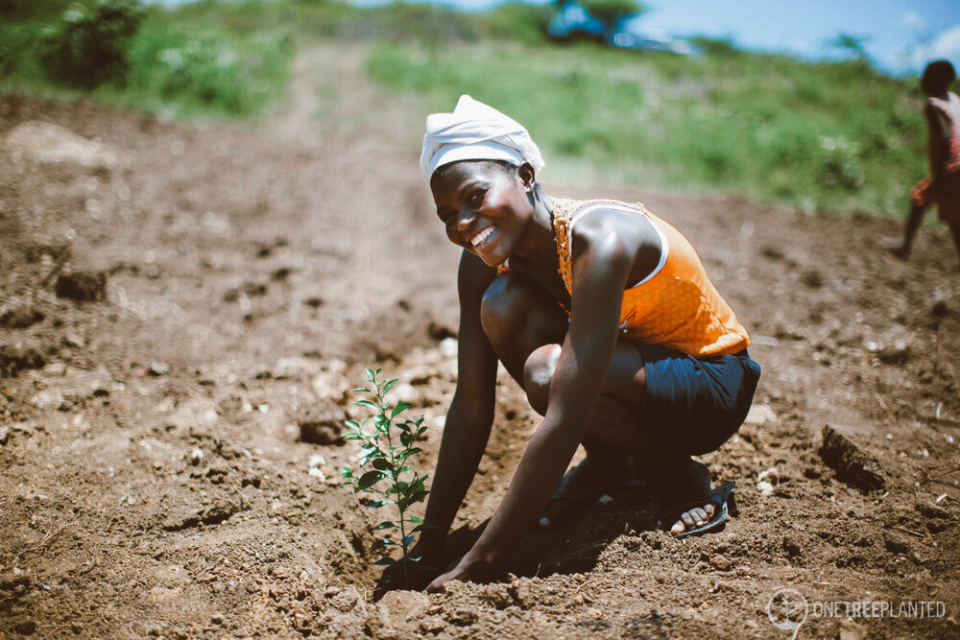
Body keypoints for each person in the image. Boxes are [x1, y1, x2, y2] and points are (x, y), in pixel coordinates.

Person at [412, 95, 761, 591]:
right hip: (632, 375)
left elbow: (565, 412)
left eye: (475, 196)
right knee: (504, 304)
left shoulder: (600, 241)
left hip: (709, 384)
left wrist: (480, 563)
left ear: (526, 176)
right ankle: (612, 463)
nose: (463, 223)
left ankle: (679, 475)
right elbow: (471, 405)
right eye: (447, 214)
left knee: (550, 375)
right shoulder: (481, 263)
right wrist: (428, 547)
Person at [881, 60, 960, 267]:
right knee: (954, 217)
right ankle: (904, 244)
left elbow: (944, 137)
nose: (922, 81)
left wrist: (940, 175)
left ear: (934, 80)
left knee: (919, 197)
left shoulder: (933, 104)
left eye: (926, 77)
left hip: (953, 169)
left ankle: (904, 244)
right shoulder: (956, 100)